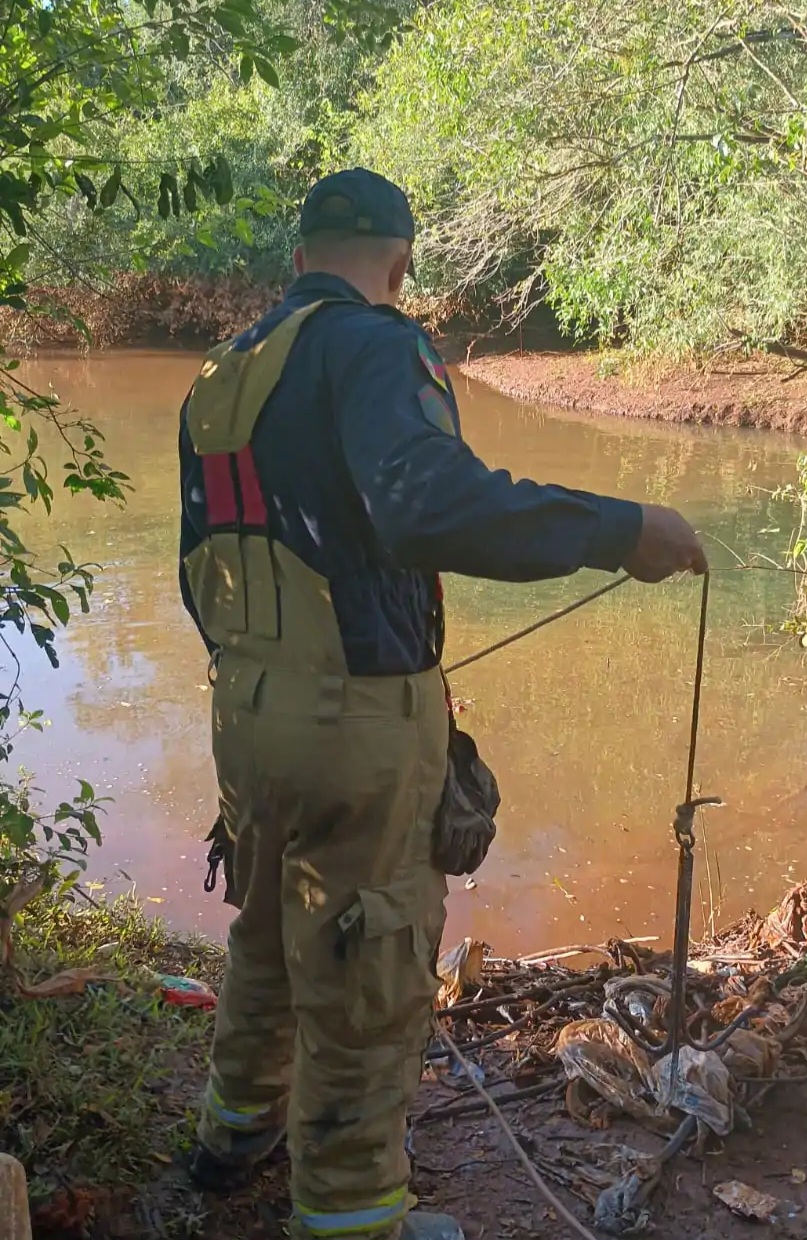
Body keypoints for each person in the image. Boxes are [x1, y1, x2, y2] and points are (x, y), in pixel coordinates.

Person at [178, 167, 708, 1240]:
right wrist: (620, 529)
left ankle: (234, 1129)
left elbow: (200, 563)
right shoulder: (378, 346)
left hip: (243, 706)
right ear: (402, 262)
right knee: (368, 966)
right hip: (354, 722)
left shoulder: (224, 370)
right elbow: (429, 507)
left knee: (269, 923)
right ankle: (351, 1213)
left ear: (298, 259)